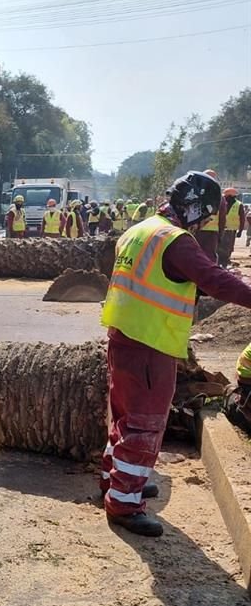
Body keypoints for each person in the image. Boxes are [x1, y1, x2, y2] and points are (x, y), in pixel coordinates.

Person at [100, 171, 251, 537]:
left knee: (123, 415)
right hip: (151, 344)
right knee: (145, 424)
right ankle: (125, 503)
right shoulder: (177, 242)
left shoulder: (141, 229)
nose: (204, 223)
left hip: (123, 336)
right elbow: (214, 279)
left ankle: (114, 481)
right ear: (197, 208)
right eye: (206, 214)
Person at [216, 187, 244, 267]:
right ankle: (221, 262)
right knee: (220, 246)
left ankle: (224, 262)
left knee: (228, 247)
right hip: (221, 228)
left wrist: (241, 231)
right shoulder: (221, 203)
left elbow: (242, 219)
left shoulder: (238, 205)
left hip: (230, 230)